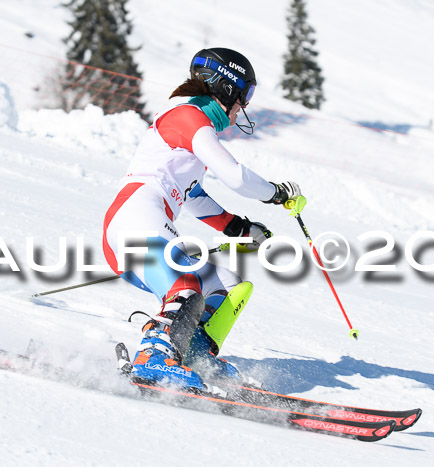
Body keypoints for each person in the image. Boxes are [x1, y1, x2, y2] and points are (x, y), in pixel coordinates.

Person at [103, 48, 302, 390]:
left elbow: (192, 196)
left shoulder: (192, 132)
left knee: (229, 285)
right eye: (246, 95)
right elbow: (235, 176)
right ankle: (153, 356)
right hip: (134, 217)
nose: (245, 106)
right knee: (187, 286)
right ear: (226, 88)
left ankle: (193, 353)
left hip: (152, 219)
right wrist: (276, 192)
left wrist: (238, 227)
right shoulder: (189, 117)